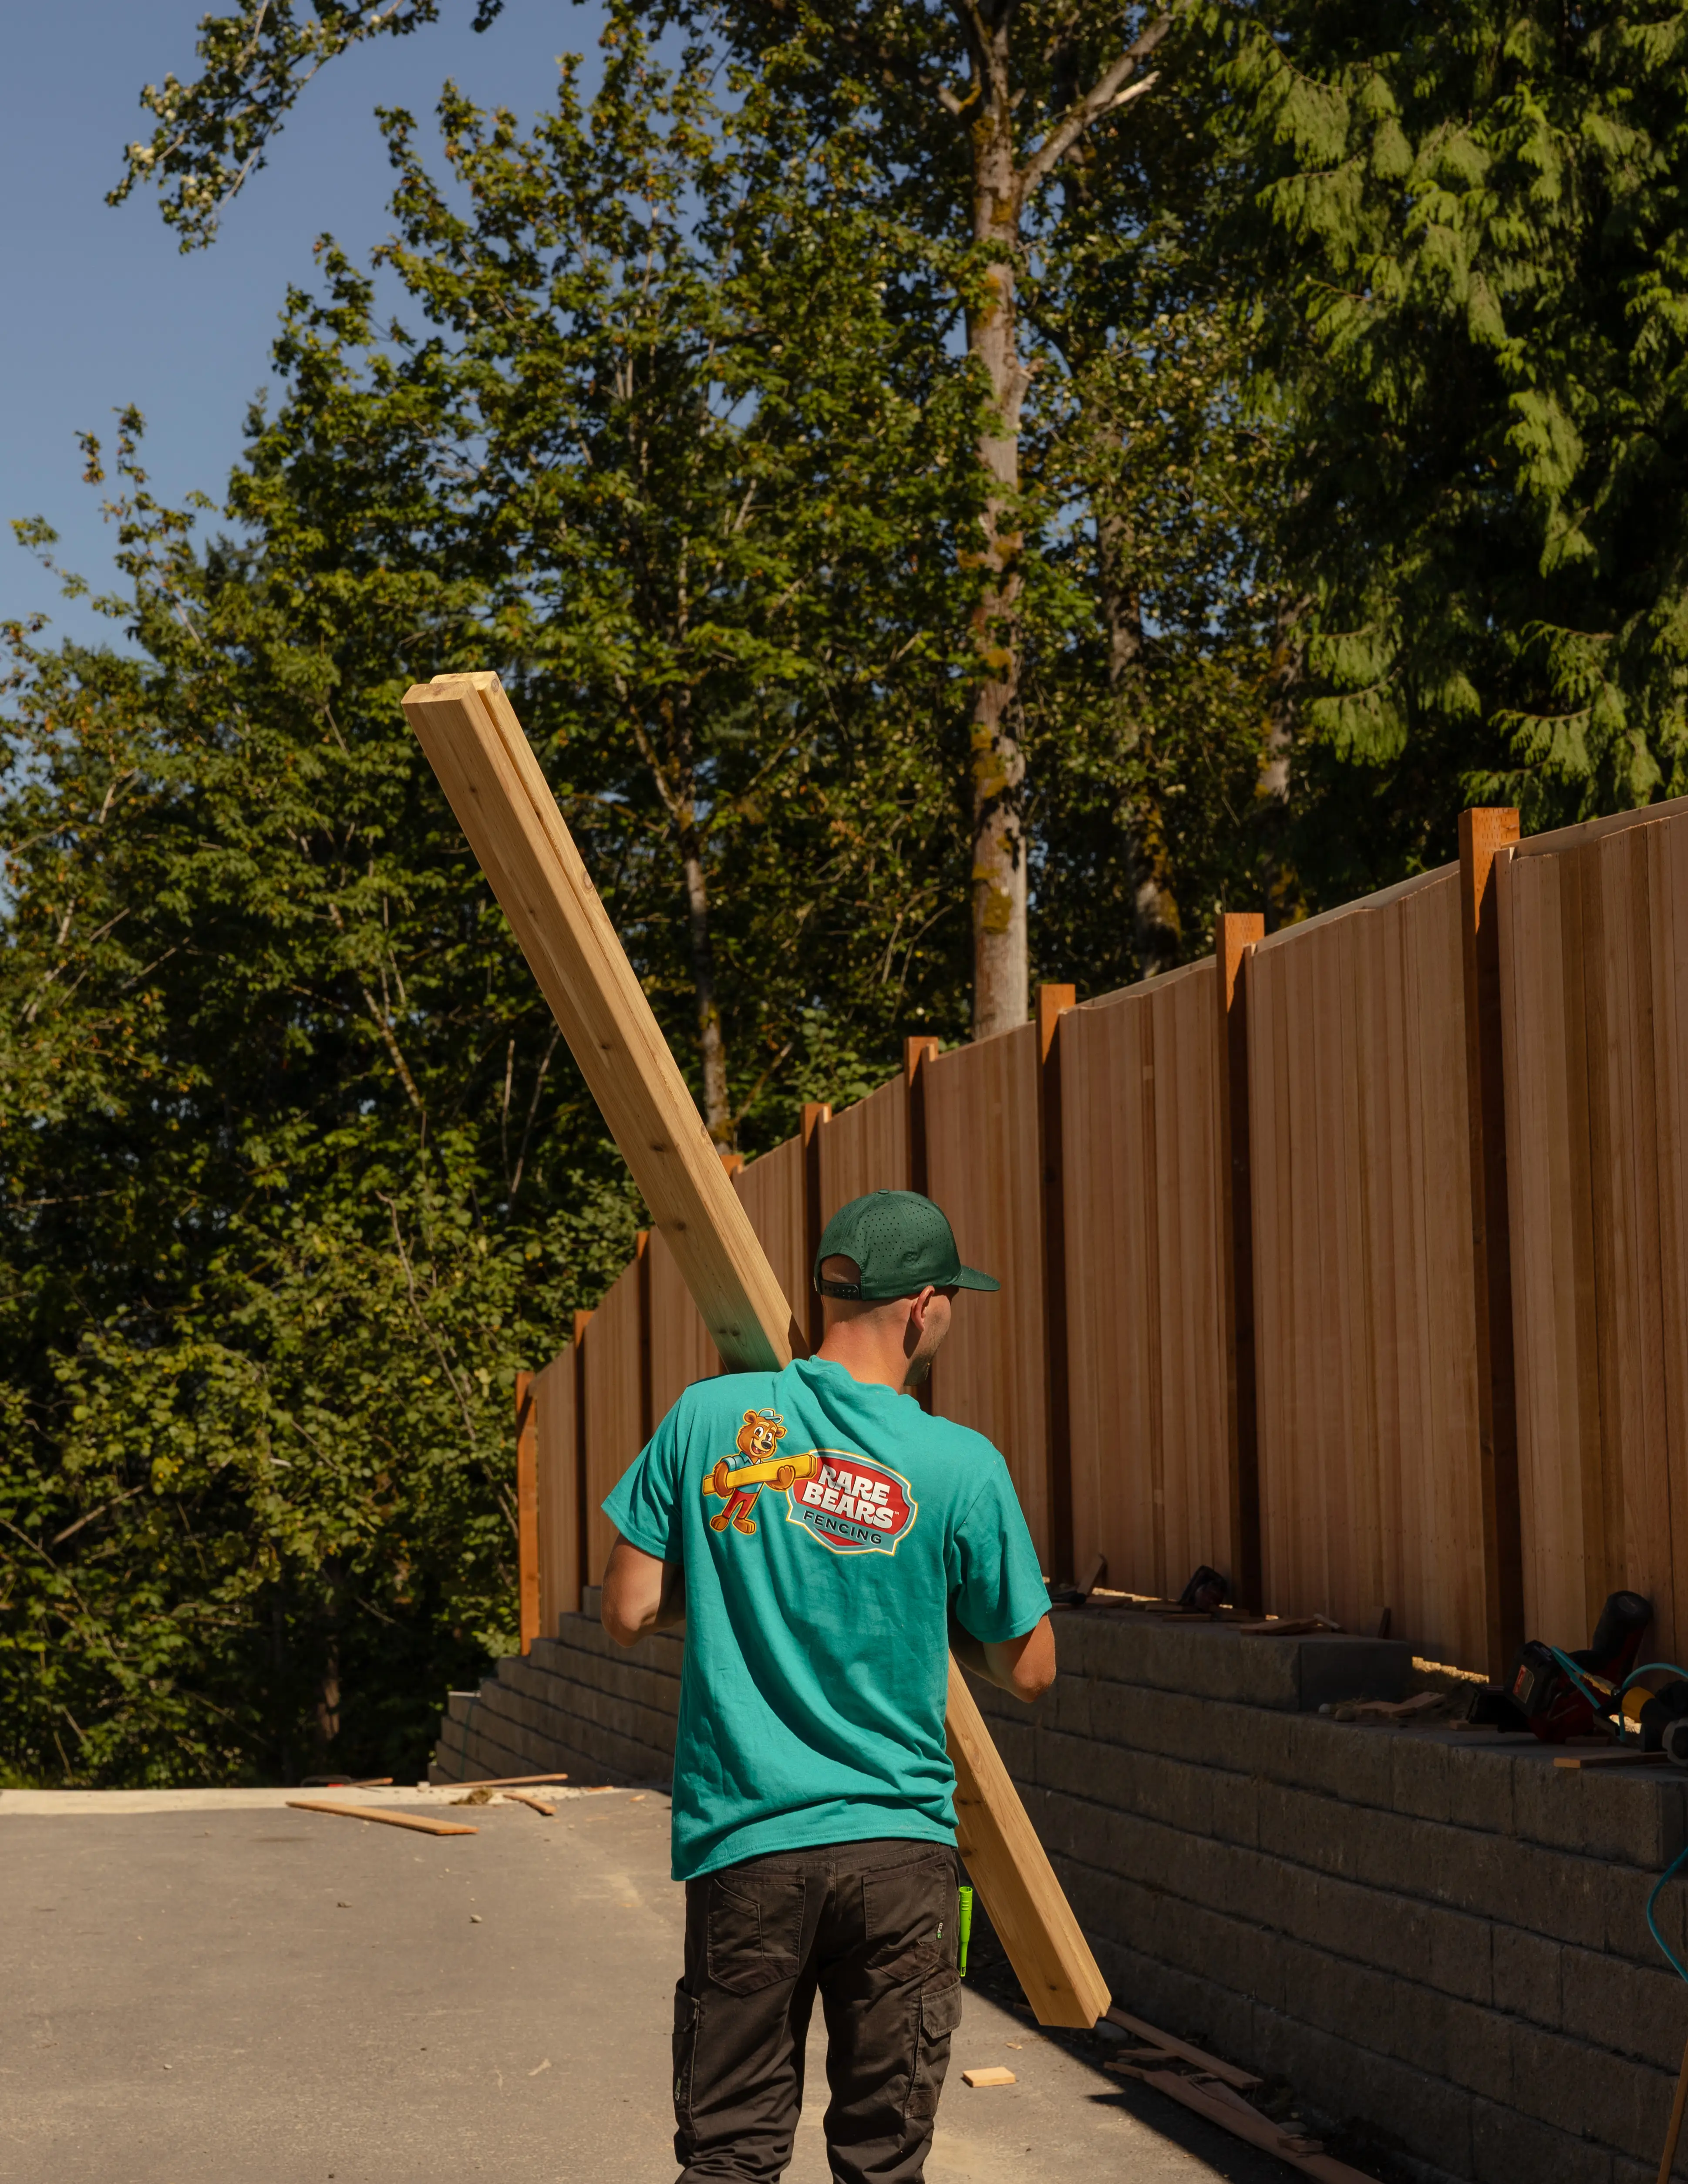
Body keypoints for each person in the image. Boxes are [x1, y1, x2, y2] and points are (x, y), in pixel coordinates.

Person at [601, 1187, 1055, 2184]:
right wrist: (928, 1599)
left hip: (748, 1849)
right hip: (900, 1857)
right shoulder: (960, 1464)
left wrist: (732, 1579)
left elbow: (628, 1608)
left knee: (731, 2157)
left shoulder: (709, 1418)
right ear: (923, 1307)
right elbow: (1031, 1669)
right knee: (882, 2164)